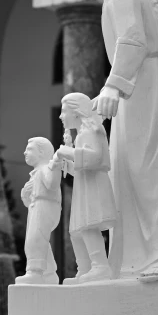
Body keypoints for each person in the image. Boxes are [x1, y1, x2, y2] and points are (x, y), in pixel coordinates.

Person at [63, 0, 158, 283]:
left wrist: (112, 85)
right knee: (126, 170)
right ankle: (132, 256)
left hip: (143, 80)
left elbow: (132, 42)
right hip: (134, 84)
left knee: (148, 169)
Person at [53, 92, 116, 284]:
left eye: (64, 111)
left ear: (76, 112)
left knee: (88, 226)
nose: (61, 116)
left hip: (94, 186)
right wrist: (68, 164)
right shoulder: (82, 133)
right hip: (85, 185)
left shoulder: (91, 131)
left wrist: (68, 152)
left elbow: (95, 158)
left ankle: (100, 266)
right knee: (76, 231)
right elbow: (82, 166)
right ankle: (85, 268)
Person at [17, 137, 61, 285]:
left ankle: (35, 272)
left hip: (44, 206)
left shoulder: (45, 169)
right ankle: (49, 273)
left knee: (35, 239)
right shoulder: (37, 173)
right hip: (37, 206)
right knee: (39, 239)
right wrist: (26, 194)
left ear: (42, 152)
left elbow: (52, 185)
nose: (25, 152)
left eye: (30, 149)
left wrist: (55, 165)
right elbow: (28, 199)